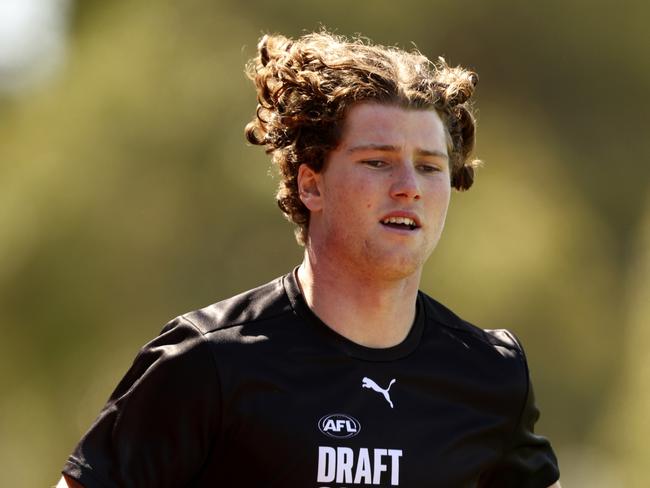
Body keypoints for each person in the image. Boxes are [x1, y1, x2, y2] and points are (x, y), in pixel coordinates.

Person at [58, 30, 561, 487]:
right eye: (378, 162)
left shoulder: (492, 378)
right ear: (311, 183)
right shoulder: (207, 361)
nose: (408, 188)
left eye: (429, 167)